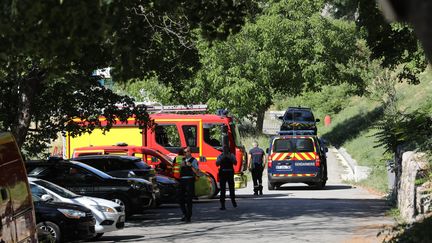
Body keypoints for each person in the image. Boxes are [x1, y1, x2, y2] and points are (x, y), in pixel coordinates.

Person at [178, 146, 199, 222]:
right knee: (180, 199)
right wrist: (181, 166)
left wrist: (191, 166)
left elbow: (197, 171)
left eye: (186, 152)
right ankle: (184, 213)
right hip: (182, 180)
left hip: (189, 180)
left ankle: (188, 216)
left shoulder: (194, 160)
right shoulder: (182, 160)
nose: (185, 154)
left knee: (189, 199)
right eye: (184, 152)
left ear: (190, 152)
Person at [216, 145, 237, 210]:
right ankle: (222, 205)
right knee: (222, 190)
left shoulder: (231, 155)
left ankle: (233, 201)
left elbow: (235, 163)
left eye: (226, 149)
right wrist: (222, 158)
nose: (225, 150)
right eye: (224, 149)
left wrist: (229, 157)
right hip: (223, 174)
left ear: (228, 149)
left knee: (231, 188)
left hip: (230, 173)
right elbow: (217, 164)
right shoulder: (220, 156)